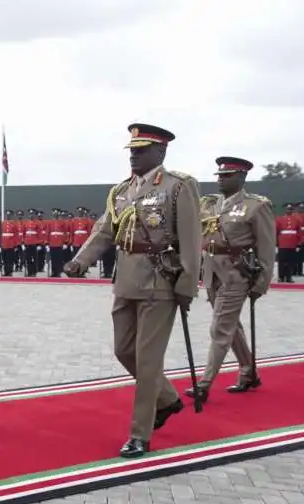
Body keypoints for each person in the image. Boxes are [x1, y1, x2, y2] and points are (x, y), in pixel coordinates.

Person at [64, 123, 201, 459]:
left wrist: (186, 285)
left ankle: (140, 434)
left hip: (160, 282)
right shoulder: (121, 190)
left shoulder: (178, 186)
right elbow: (104, 231)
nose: (134, 155)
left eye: (141, 150)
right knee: (124, 350)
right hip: (125, 281)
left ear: (161, 151)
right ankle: (168, 399)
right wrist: (79, 261)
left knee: (148, 361)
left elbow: (192, 239)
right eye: (132, 150)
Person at [186, 157, 275, 403]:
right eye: (219, 175)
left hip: (237, 274)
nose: (220, 179)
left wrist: (262, 283)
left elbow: (267, 249)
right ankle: (249, 372)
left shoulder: (256, 206)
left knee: (220, 328)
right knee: (231, 326)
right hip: (213, 273)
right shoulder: (211, 204)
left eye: (227, 175)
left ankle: (204, 383)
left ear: (241, 177)